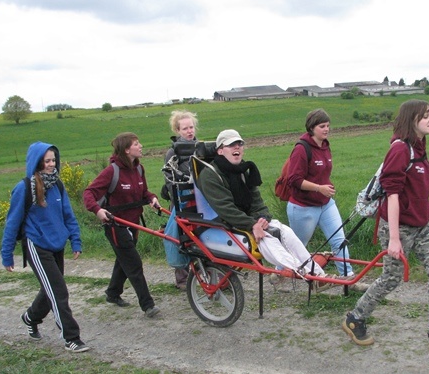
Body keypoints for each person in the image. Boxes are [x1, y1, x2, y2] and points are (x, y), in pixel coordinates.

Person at [342, 100, 429, 354]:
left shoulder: (419, 147)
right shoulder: (400, 150)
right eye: (426, 116)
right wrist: (393, 239)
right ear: (412, 120)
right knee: (391, 279)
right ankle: (355, 318)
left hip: (421, 225)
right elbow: (392, 194)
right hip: (398, 228)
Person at [197, 129, 328, 278]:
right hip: (224, 224)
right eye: (231, 145)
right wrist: (253, 225)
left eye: (240, 144)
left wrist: (263, 219)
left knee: (286, 231)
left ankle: (318, 274)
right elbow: (225, 209)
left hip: (247, 221)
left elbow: (257, 201)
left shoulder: (242, 170)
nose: (237, 147)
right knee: (267, 238)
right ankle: (306, 274)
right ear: (220, 151)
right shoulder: (210, 175)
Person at [1, 141, 89, 353]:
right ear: (37, 162)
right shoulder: (24, 188)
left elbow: (68, 215)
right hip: (36, 244)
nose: (52, 164)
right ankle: (71, 338)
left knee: (49, 289)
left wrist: (75, 240)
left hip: (56, 243)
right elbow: (12, 222)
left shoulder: (57, 185)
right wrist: (7, 254)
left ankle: (30, 317)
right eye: (47, 161)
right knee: (58, 290)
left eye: (53, 160)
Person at [83, 132, 161, 318]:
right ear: (127, 150)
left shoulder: (139, 169)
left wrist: (152, 198)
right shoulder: (112, 171)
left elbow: (144, 192)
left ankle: (113, 293)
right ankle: (148, 305)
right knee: (133, 263)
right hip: (115, 224)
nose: (140, 146)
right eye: (136, 143)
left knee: (123, 259)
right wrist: (97, 210)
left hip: (132, 223)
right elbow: (89, 193)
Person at [286, 109, 353, 278]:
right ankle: (279, 274)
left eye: (328, 126)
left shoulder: (325, 146)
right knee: (298, 246)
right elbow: (293, 179)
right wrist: (318, 187)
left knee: (339, 241)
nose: (326, 129)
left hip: (326, 203)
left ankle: (347, 278)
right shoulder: (301, 149)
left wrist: (324, 189)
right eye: (322, 126)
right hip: (303, 206)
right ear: (311, 127)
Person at [163, 110, 198, 290]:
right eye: (185, 128)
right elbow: (169, 180)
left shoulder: (200, 148)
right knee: (181, 236)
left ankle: (203, 272)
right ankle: (182, 279)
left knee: (199, 237)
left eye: (191, 127)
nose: (189, 131)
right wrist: (180, 198)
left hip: (200, 200)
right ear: (178, 130)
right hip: (181, 201)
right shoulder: (172, 153)